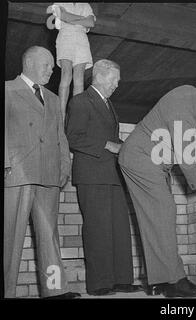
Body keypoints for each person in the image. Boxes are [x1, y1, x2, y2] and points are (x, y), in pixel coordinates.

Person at [118, 82, 196, 297]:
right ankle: (175, 282)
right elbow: (187, 159)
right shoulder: (184, 110)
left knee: (155, 218)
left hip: (146, 158)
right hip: (142, 158)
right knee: (164, 212)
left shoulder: (190, 95)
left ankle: (158, 281)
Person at [4, 46, 79, 299]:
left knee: (50, 238)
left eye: (52, 67)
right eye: (46, 65)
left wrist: (64, 166)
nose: (51, 70)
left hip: (49, 175)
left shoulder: (54, 99)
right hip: (17, 173)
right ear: (28, 62)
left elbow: (61, 137)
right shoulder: (7, 89)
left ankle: (55, 290)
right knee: (9, 238)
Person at [65, 59, 140, 296]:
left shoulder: (108, 104)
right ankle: (99, 284)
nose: (117, 84)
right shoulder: (80, 101)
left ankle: (122, 279)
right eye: (114, 79)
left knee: (119, 228)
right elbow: (73, 137)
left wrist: (130, 148)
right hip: (91, 175)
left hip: (112, 175)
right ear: (98, 76)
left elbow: (114, 142)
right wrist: (108, 145)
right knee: (98, 229)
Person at [47, 3, 96, 121]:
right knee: (66, 74)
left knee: (79, 78)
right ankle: (61, 115)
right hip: (65, 37)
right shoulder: (60, 3)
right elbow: (57, 19)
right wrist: (81, 20)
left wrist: (67, 16)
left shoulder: (86, 5)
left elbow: (91, 23)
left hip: (82, 39)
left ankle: (76, 115)